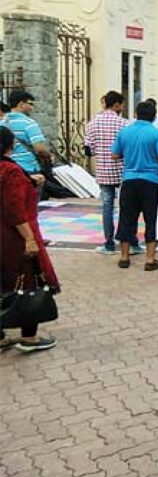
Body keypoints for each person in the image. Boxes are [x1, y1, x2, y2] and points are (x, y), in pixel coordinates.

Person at [0, 126, 59, 353]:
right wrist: (30, 239)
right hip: (15, 235)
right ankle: (29, 337)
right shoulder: (11, 171)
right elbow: (15, 209)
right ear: (10, 145)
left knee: (3, 282)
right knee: (29, 280)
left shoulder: (12, 171)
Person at [112, 101, 158, 271]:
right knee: (152, 219)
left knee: (126, 218)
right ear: (154, 116)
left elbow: (114, 155)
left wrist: (130, 154)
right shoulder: (157, 134)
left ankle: (124, 257)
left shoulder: (124, 132)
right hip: (151, 181)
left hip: (128, 180)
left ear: (135, 114)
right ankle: (150, 259)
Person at [85, 91, 141, 255]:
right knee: (128, 208)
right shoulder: (125, 124)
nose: (122, 107)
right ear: (116, 105)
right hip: (124, 170)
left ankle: (109, 244)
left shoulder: (92, 124)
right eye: (122, 104)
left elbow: (89, 150)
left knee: (107, 207)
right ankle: (132, 242)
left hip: (103, 170)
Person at [0, 91, 51, 200]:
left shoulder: (2, 123)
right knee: (30, 203)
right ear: (21, 104)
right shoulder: (29, 123)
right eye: (30, 104)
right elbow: (39, 148)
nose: (32, 108)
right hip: (28, 168)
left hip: (7, 168)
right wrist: (47, 155)